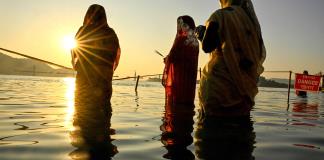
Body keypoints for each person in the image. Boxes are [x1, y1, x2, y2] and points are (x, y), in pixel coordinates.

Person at [194, 0, 266, 117]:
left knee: (211, 130)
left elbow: (207, 46)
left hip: (218, 86)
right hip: (243, 90)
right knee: (240, 130)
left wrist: (201, 33)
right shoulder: (251, 24)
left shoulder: (220, 15)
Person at [71, 4, 121, 114]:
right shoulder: (110, 33)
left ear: (88, 16)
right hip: (103, 81)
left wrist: (76, 65)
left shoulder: (83, 30)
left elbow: (75, 52)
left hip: (84, 80)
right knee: (102, 111)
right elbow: (115, 56)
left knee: (81, 113)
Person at [162, 15, 199, 106]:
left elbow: (172, 58)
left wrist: (167, 59)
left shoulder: (180, 40)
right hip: (190, 82)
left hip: (179, 81)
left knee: (175, 110)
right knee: (187, 106)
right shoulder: (195, 42)